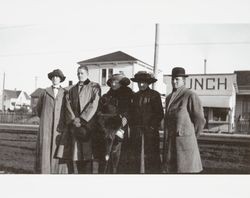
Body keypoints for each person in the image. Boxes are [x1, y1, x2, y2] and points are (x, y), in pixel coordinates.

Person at [56, 65, 101, 174]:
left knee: (87, 154)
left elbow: (94, 104)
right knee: (77, 154)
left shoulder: (94, 87)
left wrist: (82, 119)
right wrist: (73, 119)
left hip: (88, 126)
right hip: (75, 126)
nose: (80, 75)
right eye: (78, 73)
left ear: (87, 74)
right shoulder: (72, 89)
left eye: (82, 73)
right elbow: (67, 105)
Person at [162, 67, 206, 173]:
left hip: (185, 145)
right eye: (173, 79)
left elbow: (200, 120)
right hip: (171, 144)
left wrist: (190, 136)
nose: (174, 81)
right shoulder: (168, 98)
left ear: (184, 80)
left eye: (177, 79)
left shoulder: (190, 95)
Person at [97, 73, 133, 173]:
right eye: (112, 82)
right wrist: (104, 127)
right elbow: (99, 113)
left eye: (116, 82)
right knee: (106, 157)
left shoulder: (128, 96)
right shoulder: (106, 97)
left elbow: (130, 111)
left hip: (121, 131)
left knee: (118, 157)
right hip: (107, 132)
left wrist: (123, 121)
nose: (113, 84)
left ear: (122, 84)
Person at [129, 71, 164, 174]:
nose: (141, 85)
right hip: (137, 132)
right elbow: (132, 114)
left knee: (151, 157)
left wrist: (152, 127)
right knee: (137, 157)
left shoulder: (154, 95)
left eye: (144, 82)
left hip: (150, 133)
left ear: (148, 83)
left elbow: (159, 114)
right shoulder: (135, 96)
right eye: (139, 82)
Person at [35, 69, 68, 174]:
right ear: (51, 79)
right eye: (53, 77)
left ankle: (57, 172)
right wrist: (46, 119)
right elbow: (38, 109)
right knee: (45, 147)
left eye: (57, 77)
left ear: (61, 79)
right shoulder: (45, 92)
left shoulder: (65, 92)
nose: (55, 79)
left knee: (58, 148)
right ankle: (44, 171)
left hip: (60, 126)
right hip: (46, 125)